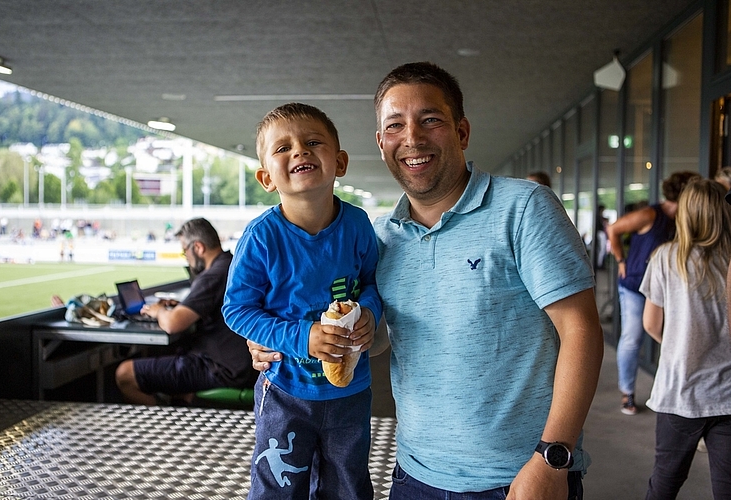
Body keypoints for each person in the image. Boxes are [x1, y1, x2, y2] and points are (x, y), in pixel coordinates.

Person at [251, 62, 604, 500]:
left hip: (518, 477)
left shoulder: (524, 207)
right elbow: (375, 339)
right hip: (415, 477)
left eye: (430, 120)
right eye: (395, 126)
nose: (412, 138)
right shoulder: (378, 236)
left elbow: (582, 330)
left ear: (462, 131)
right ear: (381, 143)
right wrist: (283, 339)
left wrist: (553, 455)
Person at [221, 103, 382, 499]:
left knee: (349, 486)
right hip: (285, 390)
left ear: (340, 161)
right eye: (283, 148)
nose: (300, 151)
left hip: (351, 390)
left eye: (313, 142)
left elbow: (374, 285)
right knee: (279, 487)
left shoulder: (358, 225)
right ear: (266, 178)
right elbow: (236, 309)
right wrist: (301, 337)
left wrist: (370, 316)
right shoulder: (261, 237)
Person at [640, 179, 731, 499]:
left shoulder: (666, 257)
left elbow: (651, 323)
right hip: (727, 395)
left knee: (664, 483)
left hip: (680, 392)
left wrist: (679, 344)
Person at [114, 217, 255, 406]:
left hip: (222, 368)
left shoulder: (213, 275)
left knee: (125, 374)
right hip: (238, 364)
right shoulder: (230, 265)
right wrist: (182, 304)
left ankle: (161, 428)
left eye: (184, 251)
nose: (186, 257)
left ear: (197, 247)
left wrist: (158, 311)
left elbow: (173, 324)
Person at [606, 171, 699, 415]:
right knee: (633, 338)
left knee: (670, 337)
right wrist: (621, 261)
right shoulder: (650, 214)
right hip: (636, 286)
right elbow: (613, 229)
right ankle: (627, 393)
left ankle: (668, 391)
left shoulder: (685, 220)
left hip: (668, 289)